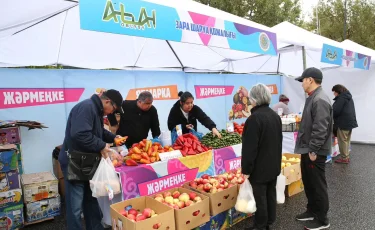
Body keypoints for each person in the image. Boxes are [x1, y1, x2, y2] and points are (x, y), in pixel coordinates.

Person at [58, 89, 126, 230]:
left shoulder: (96, 109)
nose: (113, 112)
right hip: (74, 162)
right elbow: (80, 135)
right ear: (107, 101)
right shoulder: (87, 107)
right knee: (75, 207)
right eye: (114, 108)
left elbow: (98, 131)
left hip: (86, 162)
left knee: (91, 200)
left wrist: (113, 138)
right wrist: (102, 145)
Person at [294, 67, 332, 230]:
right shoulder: (313, 97)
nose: (302, 83)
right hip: (308, 149)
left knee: (317, 184)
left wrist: (314, 150)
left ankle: (322, 219)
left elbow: (321, 127)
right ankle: (312, 210)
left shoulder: (320, 99)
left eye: (303, 80)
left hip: (314, 151)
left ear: (310, 80)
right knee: (309, 182)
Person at [241, 84, 282, 230]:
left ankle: (260, 226)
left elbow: (249, 148)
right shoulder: (275, 116)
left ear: (254, 99)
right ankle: (269, 222)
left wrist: (246, 169)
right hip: (273, 165)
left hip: (260, 168)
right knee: (270, 193)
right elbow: (279, 141)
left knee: (260, 197)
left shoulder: (254, 119)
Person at [332, 84, 358, 164]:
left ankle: (344, 158)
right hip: (350, 122)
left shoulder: (341, 98)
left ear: (338, 91)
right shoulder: (348, 97)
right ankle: (346, 156)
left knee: (342, 141)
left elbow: (336, 111)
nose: (334, 94)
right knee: (347, 140)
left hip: (343, 123)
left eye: (334, 92)